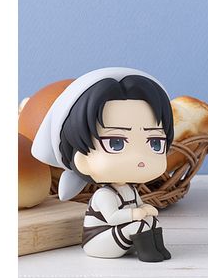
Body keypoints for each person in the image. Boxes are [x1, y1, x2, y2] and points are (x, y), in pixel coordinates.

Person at [32, 67, 174, 262]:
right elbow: (113, 218)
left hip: (119, 235)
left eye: (155, 143)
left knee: (151, 221)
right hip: (99, 240)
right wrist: (137, 213)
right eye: (116, 143)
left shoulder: (130, 190)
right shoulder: (104, 195)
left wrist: (145, 210)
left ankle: (159, 251)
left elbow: (139, 206)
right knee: (139, 224)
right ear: (82, 159)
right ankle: (148, 253)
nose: (138, 157)